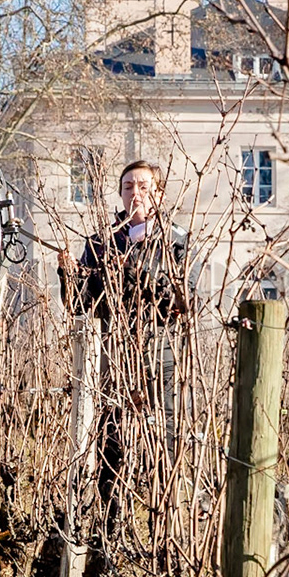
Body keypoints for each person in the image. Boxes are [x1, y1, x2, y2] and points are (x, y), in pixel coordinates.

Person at [58, 159, 190, 536]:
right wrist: (69, 274)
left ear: (159, 194)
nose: (136, 193)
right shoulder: (101, 242)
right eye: (128, 186)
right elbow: (81, 305)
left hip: (159, 354)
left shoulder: (176, 240)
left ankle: (163, 524)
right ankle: (110, 522)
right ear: (120, 193)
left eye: (144, 186)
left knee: (162, 441)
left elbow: (181, 303)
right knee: (111, 439)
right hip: (114, 356)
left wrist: (135, 275)